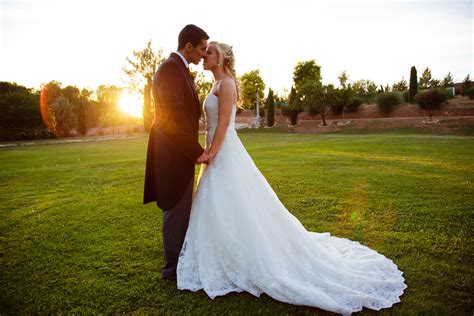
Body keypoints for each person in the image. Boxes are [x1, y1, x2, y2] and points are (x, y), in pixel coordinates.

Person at [176, 41, 407, 314]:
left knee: (237, 202)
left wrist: (211, 153)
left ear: (223, 58)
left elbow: (225, 123)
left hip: (223, 151)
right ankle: (218, 253)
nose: (204, 56)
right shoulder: (215, 84)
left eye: (210, 52)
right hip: (214, 150)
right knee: (219, 204)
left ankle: (249, 255)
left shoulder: (226, 84)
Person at [143, 24, 209, 281]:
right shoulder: (171, 69)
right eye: (202, 48)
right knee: (174, 207)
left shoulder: (179, 68)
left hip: (176, 151)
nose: (204, 54)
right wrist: (196, 152)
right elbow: (173, 119)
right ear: (188, 46)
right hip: (172, 154)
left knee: (181, 208)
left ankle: (179, 262)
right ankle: (172, 270)